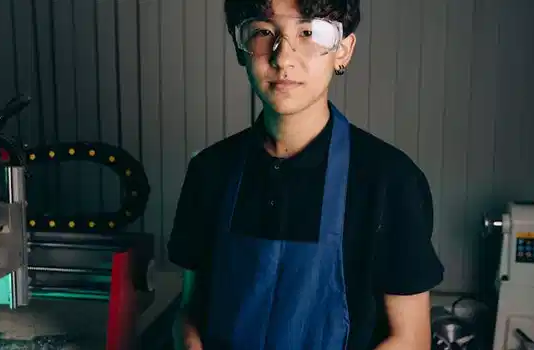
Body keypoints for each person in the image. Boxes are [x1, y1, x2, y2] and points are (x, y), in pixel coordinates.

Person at [168, 0, 444, 349]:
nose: (283, 57)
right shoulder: (209, 171)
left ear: (343, 50)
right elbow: (190, 309)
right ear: (240, 48)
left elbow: (411, 339)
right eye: (264, 32)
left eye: (309, 32)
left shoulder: (390, 181)